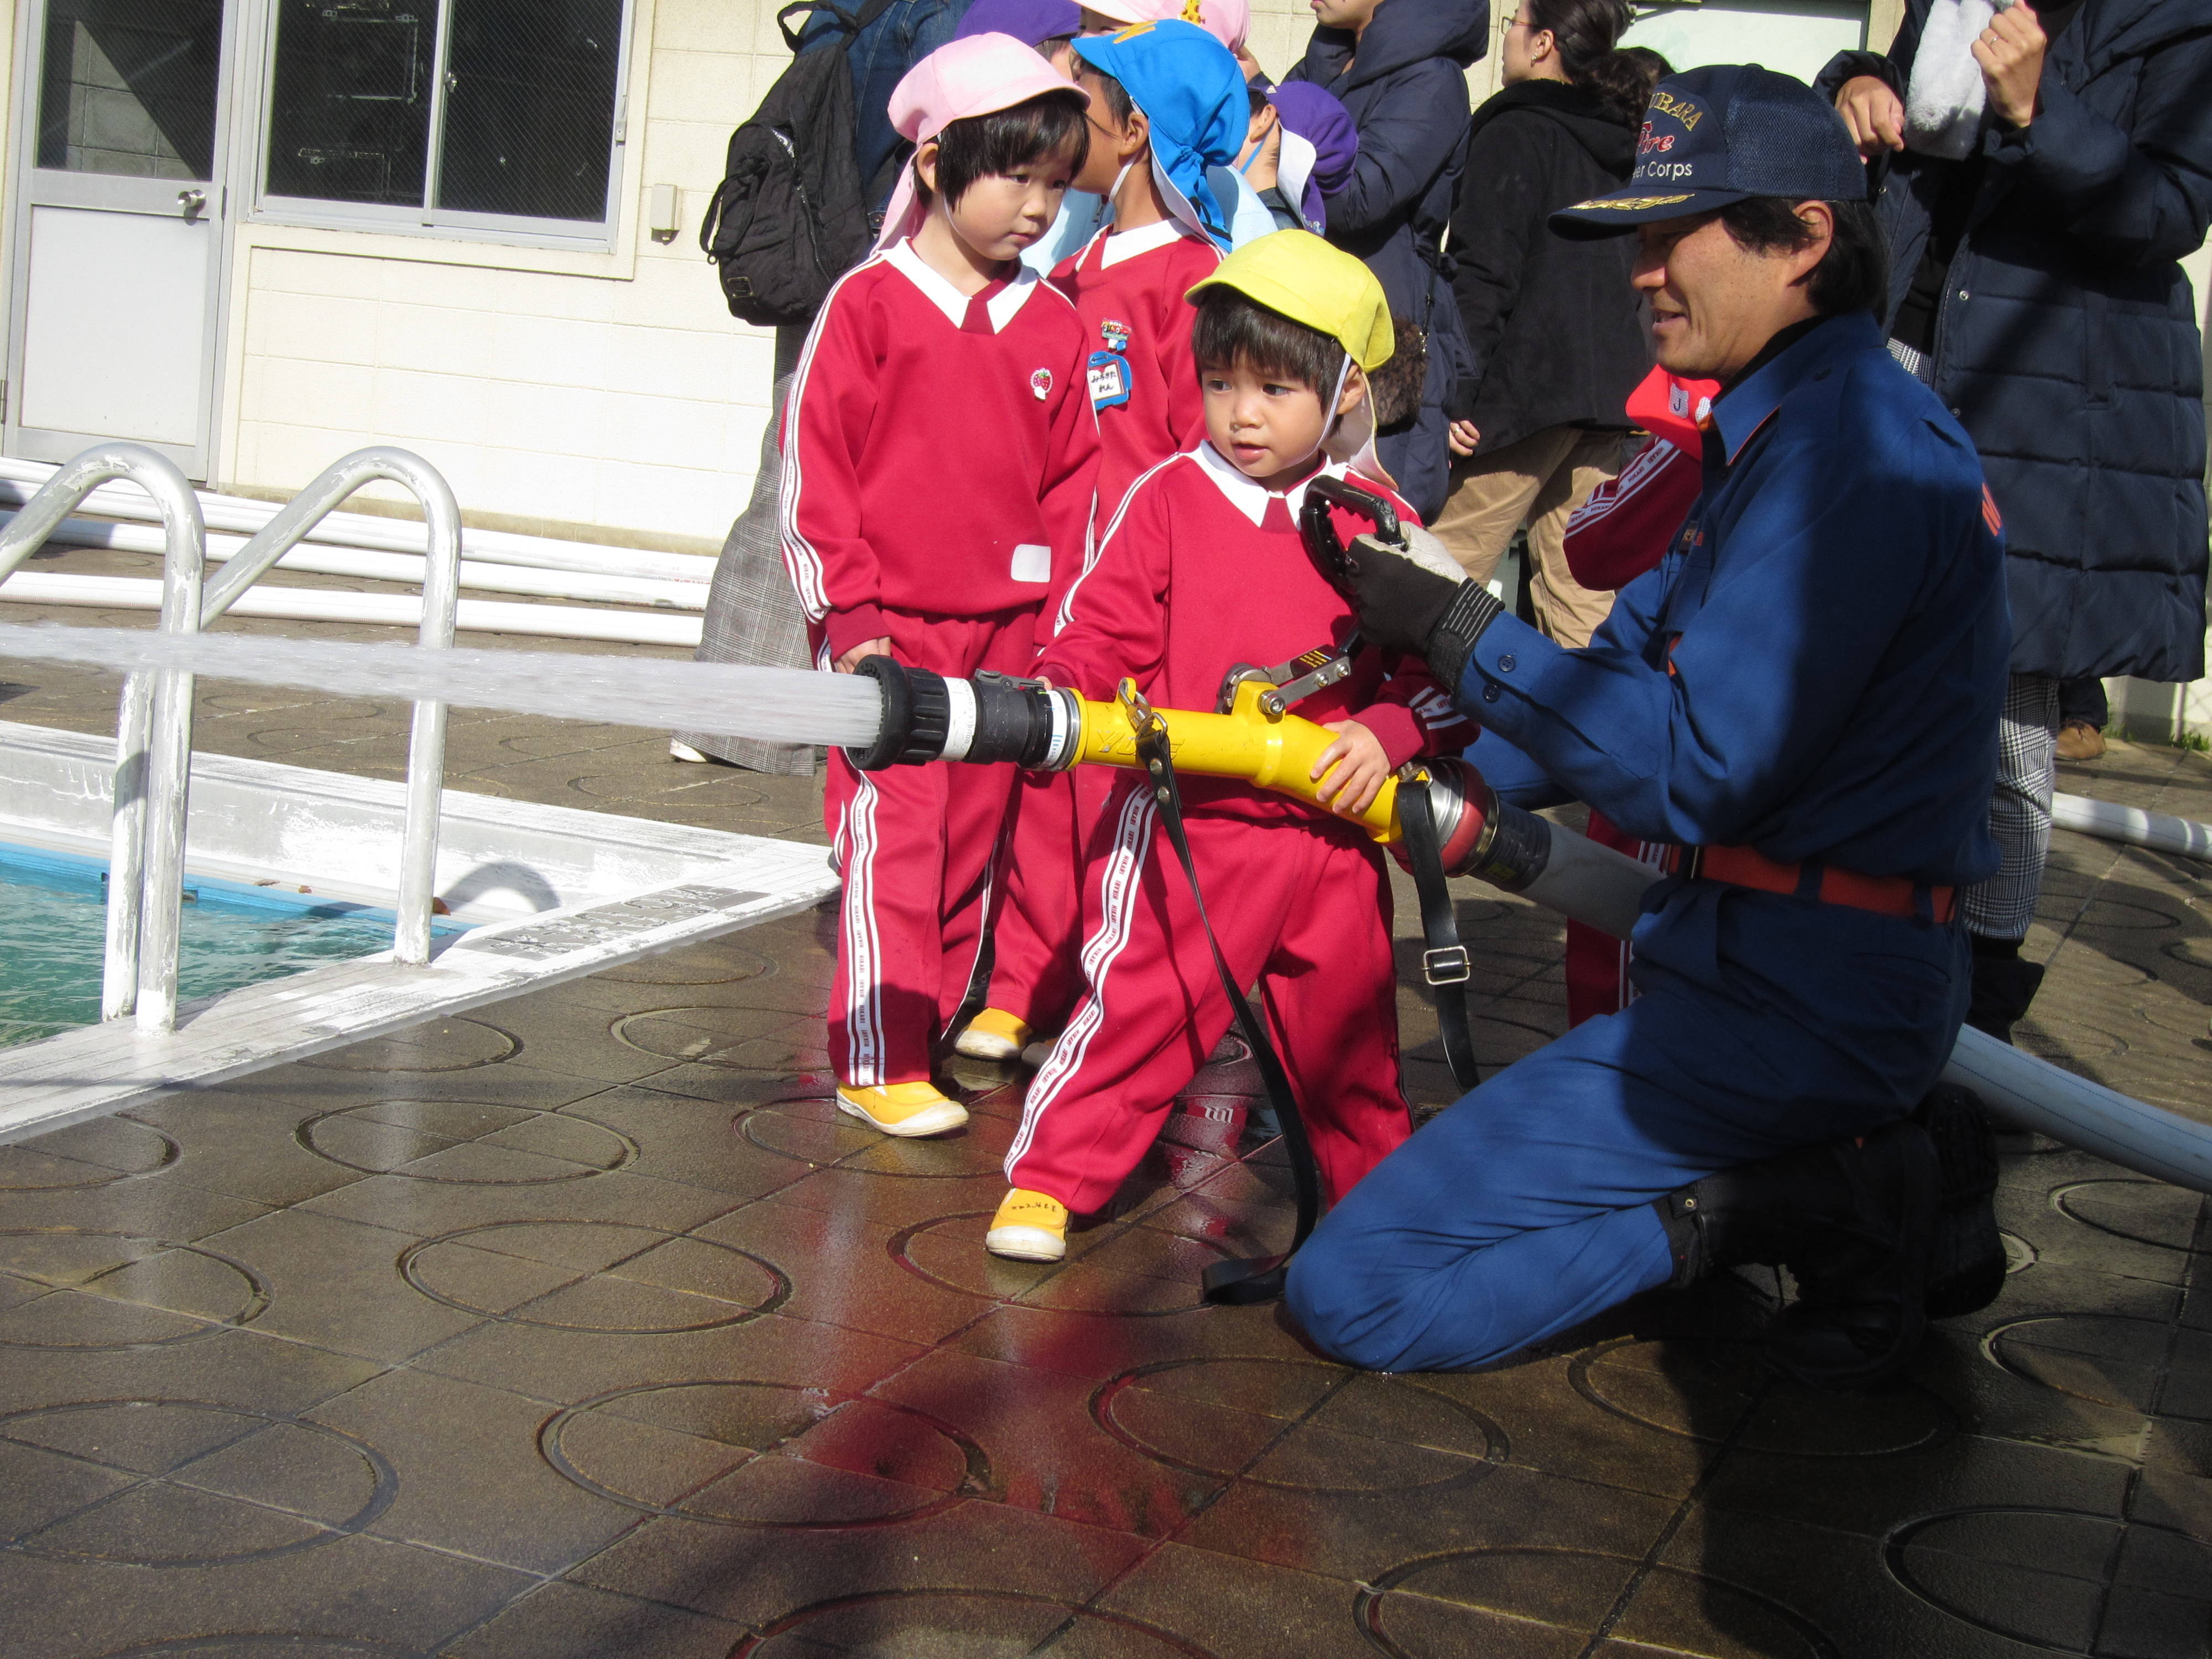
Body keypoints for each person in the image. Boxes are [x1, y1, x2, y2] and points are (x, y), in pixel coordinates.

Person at [1285, 66, 2010, 1391]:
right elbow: (1609, 686)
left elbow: (1695, 769)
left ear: (1802, 238)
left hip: (1804, 999)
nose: (1639, 270)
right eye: (1636, 236)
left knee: (1357, 1292)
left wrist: (1456, 625)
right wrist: (1397, 744)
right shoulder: (1773, 435)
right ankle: (1810, 1186)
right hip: (1757, 971)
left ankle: (1816, 1200)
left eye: (1674, 233)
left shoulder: (1854, 455)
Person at [985, 230, 1477, 1262]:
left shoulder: (1383, 523)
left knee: (1351, 1044)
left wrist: (1389, 731)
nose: (1241, 414)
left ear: (1345, 392)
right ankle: (1052, 1179)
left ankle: (1376, 1214)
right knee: (1143, 1011)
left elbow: (1449, 678)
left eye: (1275, 389)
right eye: (1220, 384)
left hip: (1333, 840)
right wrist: (1061, 694)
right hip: (1192, 827)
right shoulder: (1168, 495)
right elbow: (1098, 632)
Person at [1818, 0, 2212, 1041]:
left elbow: (2170, 210)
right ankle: (1839, 947)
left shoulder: (2177, 21)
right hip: (1895, 348)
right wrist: (1857, 84)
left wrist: (2042, 110)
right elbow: (1900, 96)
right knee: (1838, 652)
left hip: (2049, 398)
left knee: (2006, 700)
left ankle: (1976, 1014)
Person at [782, 35, 1102, 1138]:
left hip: (1009, 641)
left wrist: (1059, 642)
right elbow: (815, 479)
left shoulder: (1056, 323)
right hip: (890, 640)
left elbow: (1074, 497)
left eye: (1056, 183)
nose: (1038, 207)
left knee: (974, 843)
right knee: (897, 841)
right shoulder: (867, 306)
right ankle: (874, 1059)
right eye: (1015, 176)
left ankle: (925, 1037)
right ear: (933, 164)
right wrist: (853, 624)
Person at [960, 17, 1249, 1065]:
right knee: (1044, 774)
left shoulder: (1192, 278)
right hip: (1050, 578)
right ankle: (1023, 982)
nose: (1062, 118)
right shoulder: (1069, 269)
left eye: (1082, 101)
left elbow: (1197, 453)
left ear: (1135, 132)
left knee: (1108, 785)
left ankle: (1102, 985)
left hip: (1133, 590)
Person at [674, 0, 973, 775]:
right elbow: (944, 127)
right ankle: (746, 720)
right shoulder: (937, 14)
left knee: (794, 464)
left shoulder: (839, 13)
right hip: (879, 245)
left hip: (814, 247)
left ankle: (731, 712)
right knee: (821, 481)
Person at [1432, 0, 1661, 647]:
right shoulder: (1622, 139)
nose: (1507, 37)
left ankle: (1392, 709)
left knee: (1438, 570)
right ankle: (1598, 712)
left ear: (1543, 44)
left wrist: (1453, 393)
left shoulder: (1516, 128)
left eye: (1515, 24)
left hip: (1524, 390)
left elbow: (1483, 270)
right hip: (1604, 394)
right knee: (1579, 594)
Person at [1283, 0, 1487, 523]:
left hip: (1384, 326)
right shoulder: (1325, 60)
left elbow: (1361, 197)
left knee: (1372, 523)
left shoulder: (1433, 78)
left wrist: (1277, 141)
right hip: (1301, 312)